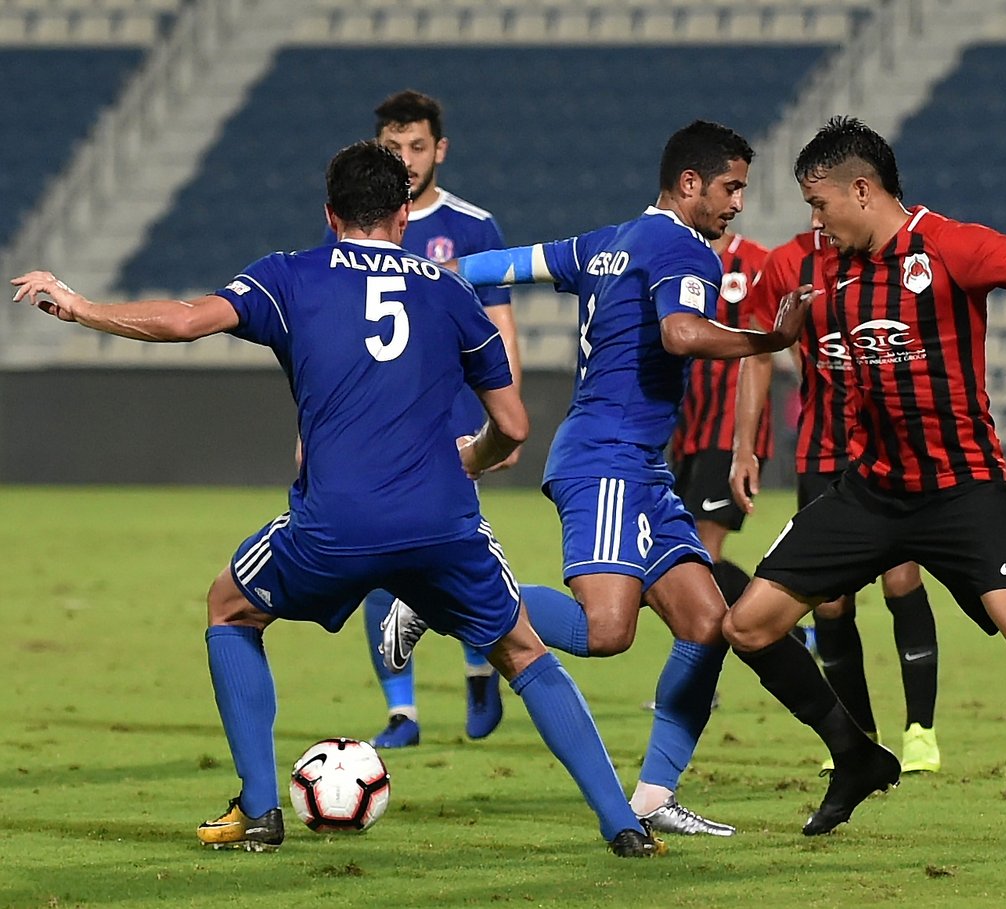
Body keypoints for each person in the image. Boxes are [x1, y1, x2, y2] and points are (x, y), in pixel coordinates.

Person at [11, 140, 665, 858]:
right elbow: (512, 425)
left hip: (335, 524)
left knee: (230, 605)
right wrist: (469, 458)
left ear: (330, 214)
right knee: (521, 649)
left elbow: (185, 319)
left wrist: (79, 307)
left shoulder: (288, 277)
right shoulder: (450, 291)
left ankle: (259, 809)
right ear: (405, 215)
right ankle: (622, 823)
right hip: (442, 522)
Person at [721, 115, 1006, 845]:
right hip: (870, 490)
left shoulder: (949, 246)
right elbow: (773, 344)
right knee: (746, 624)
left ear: (862, 190)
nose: (814, 220)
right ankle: (855, 754)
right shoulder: (823, 271)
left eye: (820, 204)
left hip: (963, 488)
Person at [384, 120, 818, 838]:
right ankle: (442, 598)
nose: (739, 202)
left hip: (637, 466)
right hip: (608, 458)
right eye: (731, 186)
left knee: (707, 624)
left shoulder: (602, 242)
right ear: (689, 184)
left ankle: (652, 795)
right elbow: (681, 332)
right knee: (607, 631)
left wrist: (421, 276)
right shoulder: (684, 248)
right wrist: (770, 339)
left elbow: (496, 267)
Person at [730, 228, 942, 774]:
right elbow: (757, 351)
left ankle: (921, 730)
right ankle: (859, 737)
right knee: (829, 603)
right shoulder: (787, 263)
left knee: (902, 580)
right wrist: (744, 447)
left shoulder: (897, 254)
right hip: (822, 453)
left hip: (889, 451)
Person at [348, 90, 521, 750]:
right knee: (372, 566)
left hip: (450, 426)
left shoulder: (475, 227)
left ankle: (481, 662)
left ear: (440, 149)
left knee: (452, 556)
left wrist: (503, 419)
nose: (408, 159)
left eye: (418, 146)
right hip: (374, 428)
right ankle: (402, 713)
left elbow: (501, 326)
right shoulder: (359, 227)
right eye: (394, 148)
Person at [670, 229, 771, 606]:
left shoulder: (756, 263)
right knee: (683, 546)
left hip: (730, 426)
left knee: (702, 546)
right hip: (689, 427)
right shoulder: (671, 258)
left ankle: (779, 631)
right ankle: (776, 630)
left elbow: (772, 345)